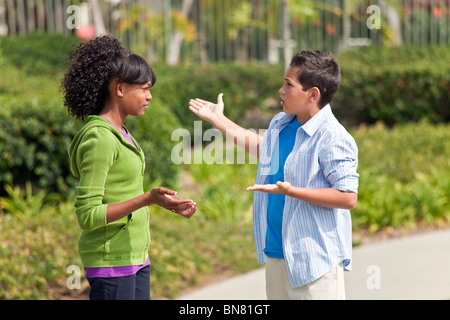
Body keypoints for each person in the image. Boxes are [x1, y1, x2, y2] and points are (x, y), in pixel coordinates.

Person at [188, 51, 359, 300]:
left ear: (313, 94)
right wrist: (219, 120)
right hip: (277, 253)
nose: (281, 90)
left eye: (289, 85)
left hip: (314, 263)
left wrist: (291, 191)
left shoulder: (334, 137)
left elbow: (347, 197)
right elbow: (263, 149)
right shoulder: (282, 122)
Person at [62, 35, 197, 300]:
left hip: (135, 256)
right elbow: (87, 215)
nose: (149, 96)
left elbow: (122, 192)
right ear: (120, 89)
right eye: (144, 88)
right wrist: (147, 198)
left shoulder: (121, 132)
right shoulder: (99, 138)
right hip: (111, 261)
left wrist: (161, 202)